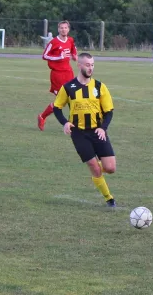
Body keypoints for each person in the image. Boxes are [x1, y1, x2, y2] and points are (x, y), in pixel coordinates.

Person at [53, 53, 118, 207]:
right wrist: (65, 122)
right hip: (79, 133)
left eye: (93, 65)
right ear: (79, 65)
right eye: (88, 65)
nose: (91, 68)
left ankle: (98, 170)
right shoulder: (68, 88)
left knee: (110, 168)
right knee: (94, 167)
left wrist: (103, 128)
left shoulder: (99, 87)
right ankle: (109, 199)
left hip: (97, 131)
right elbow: (56, 107)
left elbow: (109, 111)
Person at [37, 20, 77, 131]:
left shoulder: (70, 40)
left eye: (65, 28)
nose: (63, 29)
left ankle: (73, 123)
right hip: (57, 75)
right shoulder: (54, 42)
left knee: (72, 98)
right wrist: (59, 56)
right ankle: (42, 116)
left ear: (68, 29)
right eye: (61, 28)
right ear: (58, 29)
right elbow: (45, 56)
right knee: (62, 101)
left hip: (69, 73)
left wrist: (74, 56)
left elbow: (73, 49)